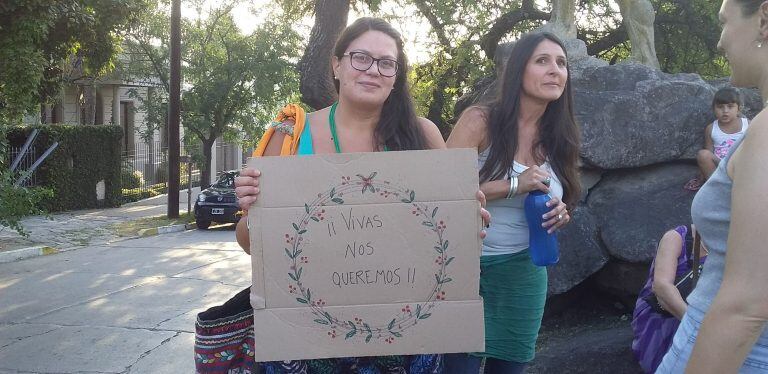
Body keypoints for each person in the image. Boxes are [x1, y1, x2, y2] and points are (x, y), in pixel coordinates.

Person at [229, 17, 490, 373]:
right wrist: (251, 210)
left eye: (386, 63)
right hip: (308, 340)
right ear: (337, 64)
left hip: (405, 339)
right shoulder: (289, 135)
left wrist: (469, 222)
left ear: (396, 76)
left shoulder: (423, 135)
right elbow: (249, 245)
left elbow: (452, 240)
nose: (373, 70)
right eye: (360, 58)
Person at [443, 31, 581, 374]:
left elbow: (562, 196)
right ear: (519, 69)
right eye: (543, 61)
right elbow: (440, 192)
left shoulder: (560, 138)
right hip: (466, 270)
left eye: (562, 63)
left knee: (510, 368)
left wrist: (562, 213)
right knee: (458, 368)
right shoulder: (480, 121)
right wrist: (513, 185)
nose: (555, 70)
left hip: (525, 272)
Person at [656, 0, 768, 372]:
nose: (719, 41)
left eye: (724, 22)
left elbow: (746, 304)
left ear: (764, 18)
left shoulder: (765, 134)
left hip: (733, 350)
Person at [631, 225, 708, 373]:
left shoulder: (732, 243)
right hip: (664, 313)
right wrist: (698, 326)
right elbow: (662, 288)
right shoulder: (677, 237)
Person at [685, 87, 749, 191]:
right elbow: (709, 153)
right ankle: (716, 187)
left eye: (730, 106)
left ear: (738, 109)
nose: (725, 111)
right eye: (720, 107)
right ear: (714, 109)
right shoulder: (711, 128)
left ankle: (740, 188)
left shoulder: (747, 125)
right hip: (721, 166)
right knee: (703, 154)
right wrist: (702, 176)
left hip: (740, 165)